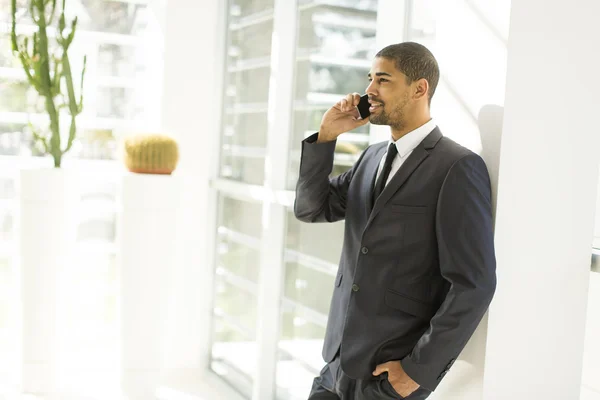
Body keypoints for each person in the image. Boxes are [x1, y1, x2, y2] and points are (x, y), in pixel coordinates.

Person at [294, 42, 497, 400]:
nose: (369, 90)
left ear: (420, 88)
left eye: (383, 80)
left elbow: (473, 283)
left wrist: (417, 372)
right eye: (370, 78)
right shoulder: (369, 159)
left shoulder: (456, 167)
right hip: (336, 365)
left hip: (389, 375)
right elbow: (312, 209)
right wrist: (326, 137)